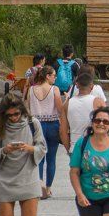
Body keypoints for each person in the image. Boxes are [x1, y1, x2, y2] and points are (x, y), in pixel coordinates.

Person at [63, 73, 106, 216]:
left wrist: (69, 148)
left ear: (77, 85)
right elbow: (106, 124)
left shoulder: (67, 104)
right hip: (94, 145)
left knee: (80, 185)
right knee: (98, 181)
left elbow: (63, 130)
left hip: (76, 146)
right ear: (92, 86)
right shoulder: (97, 102)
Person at [26, 65, 67, 199]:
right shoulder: (54, 89)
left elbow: (27, 108)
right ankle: (48, 189)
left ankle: (39, 186)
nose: (55, 78)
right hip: (52, 125)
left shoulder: (31, 89)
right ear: (47, 76)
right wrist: (66, 100)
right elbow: (60, 110)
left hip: (36, 126)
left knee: (39, 158)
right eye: (54, 75)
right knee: (51, 158)